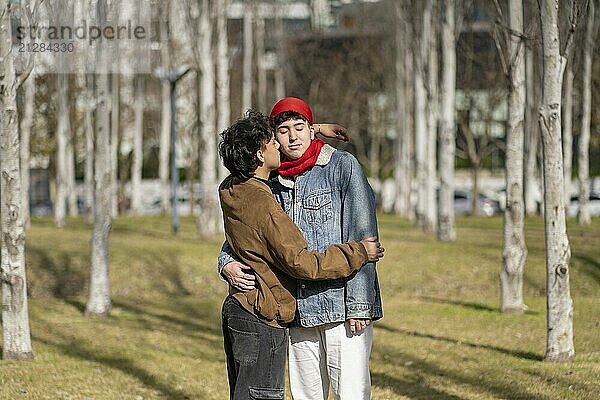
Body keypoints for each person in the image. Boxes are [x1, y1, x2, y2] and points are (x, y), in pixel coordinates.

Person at [219, 97, 383, 400]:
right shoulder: (269, 181)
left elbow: (364, 235)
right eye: (283, 131)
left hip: (340, 307)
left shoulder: (341, 166)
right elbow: (245, 237)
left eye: (300, 127)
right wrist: (225, 262)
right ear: (270, 142)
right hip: (297, 313)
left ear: (312, 129)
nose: (292, 137)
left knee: (351, 393)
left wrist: (360, 305)